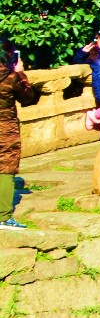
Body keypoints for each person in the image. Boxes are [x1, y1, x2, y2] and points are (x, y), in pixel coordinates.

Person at [0, 38, 38, 229]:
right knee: (5, 168)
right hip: (5, 129)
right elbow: (28, 97)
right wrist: (21, 73)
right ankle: (3, 216)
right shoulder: (10, 77)